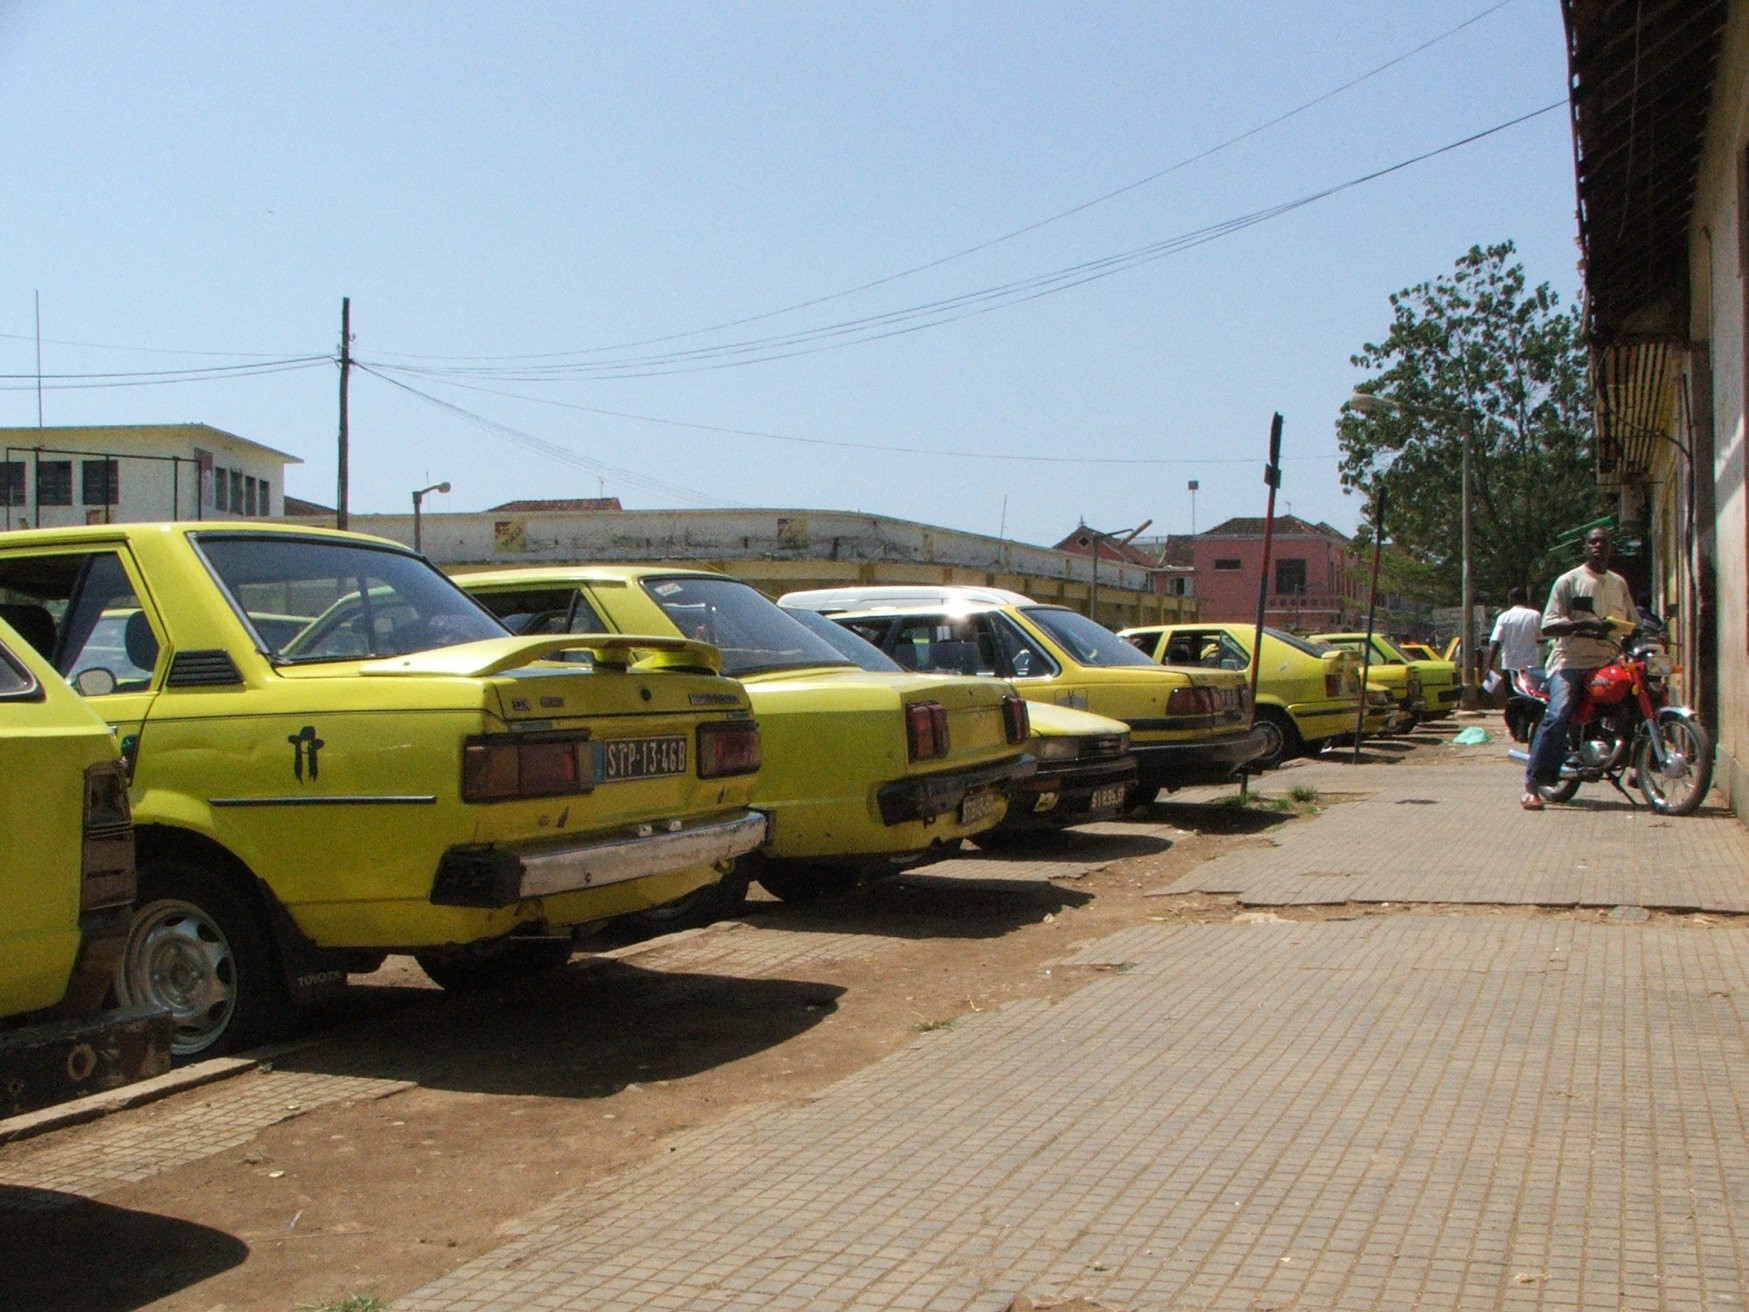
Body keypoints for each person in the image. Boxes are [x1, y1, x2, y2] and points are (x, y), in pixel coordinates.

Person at [1521, 527, 1636, 810]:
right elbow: (1549, 625)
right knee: (1559, 714)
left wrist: (1644, 635)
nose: (1598, 546)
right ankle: (1532, 785)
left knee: (1638, 698)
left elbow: (1634, 621)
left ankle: (1637, 765)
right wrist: (1584, 624)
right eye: (1593, 542)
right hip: (1569, 663)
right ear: (1585, 547)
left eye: (1604, 542)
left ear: (1611, 549)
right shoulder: (1568, 581)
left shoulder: (1618, 583)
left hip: (1607, 661)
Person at [1484, 586, 1542, 700]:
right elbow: (1540, 637)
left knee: (1512, 697)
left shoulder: (1503, 617)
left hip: (1510, 666)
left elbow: (1496, 641)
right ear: (1526, 599)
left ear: (1510, 600)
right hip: (1531, 665)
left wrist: (1489, 665)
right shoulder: (1535, 615)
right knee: (1531, 695)